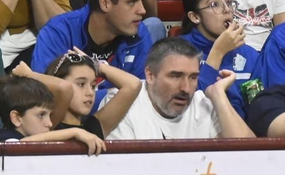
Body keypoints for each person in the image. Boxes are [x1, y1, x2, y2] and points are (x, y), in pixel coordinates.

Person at [32, 0, 156, 100]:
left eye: (141, 0)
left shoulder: (139, 32)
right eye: (132, 2)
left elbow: (144, 97)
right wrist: (119, 94)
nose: (142, 10)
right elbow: (46, 95)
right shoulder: (58, 33)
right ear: (105, 4)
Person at [107, 37, 253, 140]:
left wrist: (219, 96)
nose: (186, 88)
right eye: (175, 76)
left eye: (193, 77)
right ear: (150, 75)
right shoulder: (121, 103)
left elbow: (251, 158)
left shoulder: (203, 102)